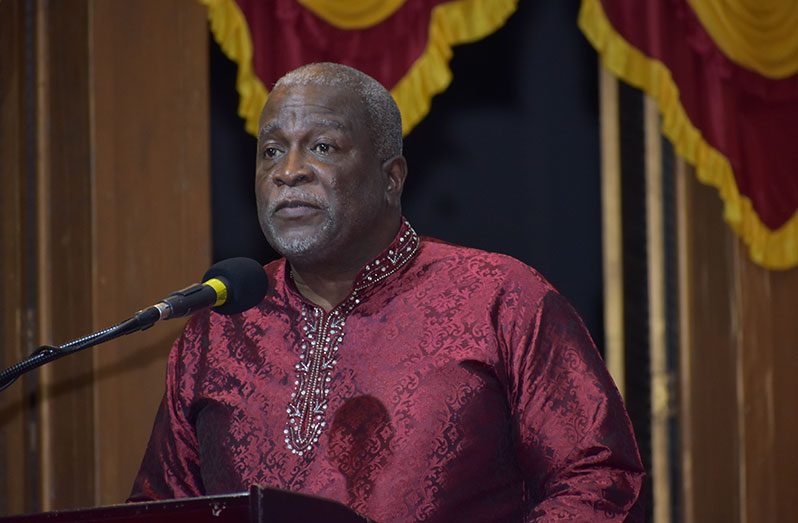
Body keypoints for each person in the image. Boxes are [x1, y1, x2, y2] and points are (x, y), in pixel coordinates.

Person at [130, 62, 645, 521]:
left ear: (390, 177)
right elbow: (161, 508)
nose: (288, 172)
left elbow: (596, 478)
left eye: (323, 146)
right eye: (270, 151)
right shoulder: (219, 327)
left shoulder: (501, 298)